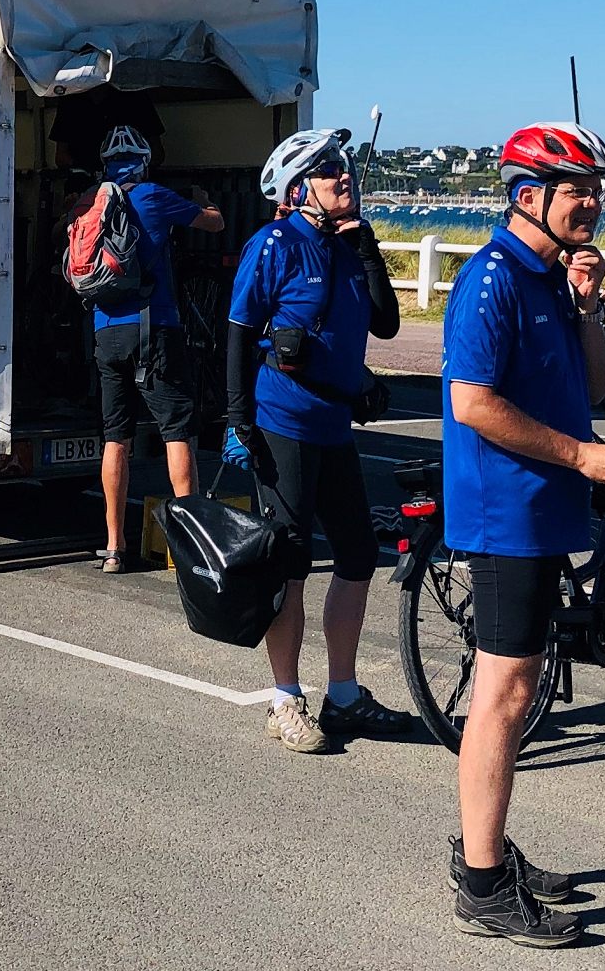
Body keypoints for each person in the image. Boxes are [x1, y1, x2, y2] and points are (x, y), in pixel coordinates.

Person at [441, 122, 605, 946]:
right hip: (505, 510)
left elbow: (591, 382)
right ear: (530, 197)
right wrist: (582, 456)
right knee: (505, 691)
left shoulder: (551, 277)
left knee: (516, 687)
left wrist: (588, 309)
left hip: (539, 507)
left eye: (594, 187)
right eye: (576, 188)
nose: (592, 201)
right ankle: (482, 883)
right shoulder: (490, 280)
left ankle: (485, 854)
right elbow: (471, 402)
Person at [224, 128, 412, 752]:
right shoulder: (275, 244)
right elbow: (239, 327)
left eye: (346, 167)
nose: (344, 175)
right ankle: (284, 697)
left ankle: (344, 694)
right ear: (299, 186)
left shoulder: (343, 248)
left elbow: (385, 322)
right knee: (293, 564)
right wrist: (238, 417)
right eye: (329, 170)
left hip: (334, 426)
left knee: (358, 555)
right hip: (284, 422)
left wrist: (367, 247)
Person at [86, 125, 225, 572]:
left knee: (116, 438)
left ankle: (113, 546)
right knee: (176, 431)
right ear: (144, 162)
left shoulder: (91, 201)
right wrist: (205, 199)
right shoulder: (152, 195)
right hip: (154, 330)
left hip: (105, 332)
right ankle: (193, 545)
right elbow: (213, 223)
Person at [51, 86, 166, 174]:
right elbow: (61, 157)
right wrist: (84, 171)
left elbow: (157, 153)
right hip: (85, 188)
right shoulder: (71, 100)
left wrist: (137, 173)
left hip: (131, 186)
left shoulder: (135, 96)